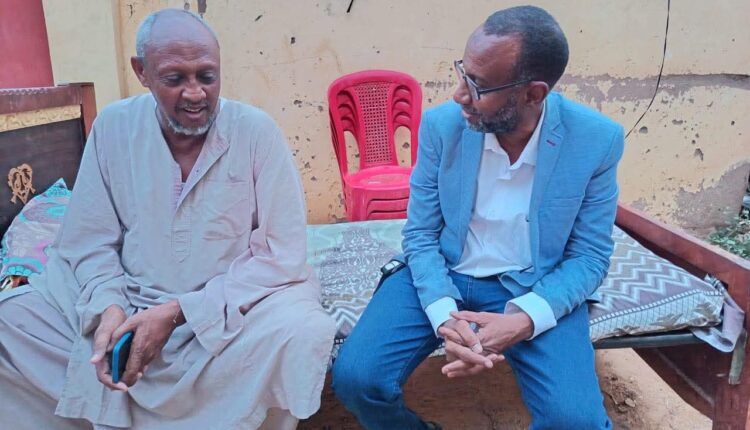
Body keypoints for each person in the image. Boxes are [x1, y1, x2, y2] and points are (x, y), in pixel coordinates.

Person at [0, 9, 335, 430]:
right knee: (11, 320)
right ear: (141, 72)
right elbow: (88, 241)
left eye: (207, 76)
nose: (195, 93)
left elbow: (282, 254)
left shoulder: (256, 132)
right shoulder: (114, 128)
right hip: (129, 294)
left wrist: (181, 312)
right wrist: (109, 308)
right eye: (175, 79)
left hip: (227, 307)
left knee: (303, 331)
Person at [332, 6, 623, 429]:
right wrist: (444, 316)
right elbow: (420, 235)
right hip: (443, 271)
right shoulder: (442, 127)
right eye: (462, 74)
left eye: (478, 86)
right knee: (357, 378)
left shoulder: (596, 140)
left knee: (576, 422)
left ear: (533, 94)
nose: (459, 96)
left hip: (534, 284)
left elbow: (590, 257)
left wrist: (524, 319)